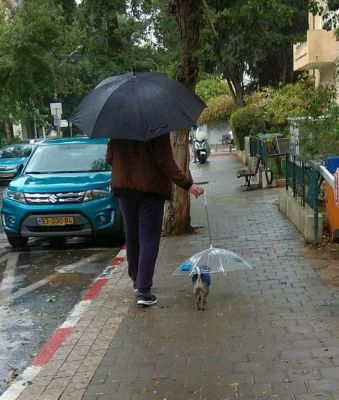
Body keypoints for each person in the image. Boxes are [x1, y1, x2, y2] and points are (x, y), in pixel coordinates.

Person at [106, 133, 204, 307]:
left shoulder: (119, 127)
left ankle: (137, 280)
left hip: (124, 188)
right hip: (150, 189)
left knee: (132, 236)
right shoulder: (157, 129)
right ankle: (144, 290)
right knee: (149, 238)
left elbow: (109, 158)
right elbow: (165, 162)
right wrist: (188, 184)